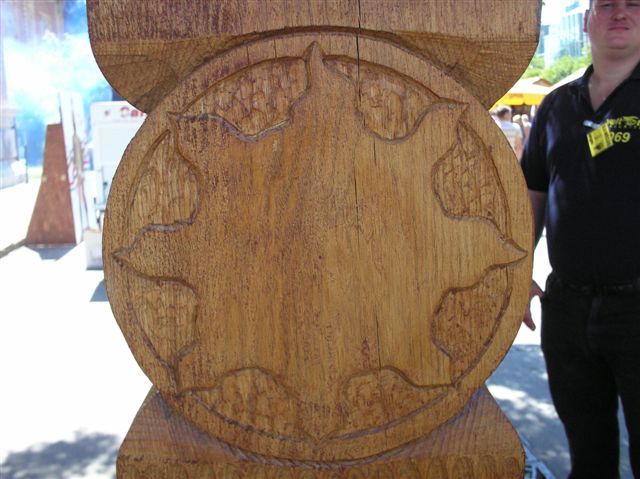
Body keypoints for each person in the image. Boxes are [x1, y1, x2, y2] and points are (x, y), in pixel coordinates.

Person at [521, 0, 640, 477]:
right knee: (589, 458)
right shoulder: (555, 105)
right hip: (567, 309)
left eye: (634, 4)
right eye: (606, 4)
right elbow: (532, 192)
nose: (620, 13)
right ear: (587, 21)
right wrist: (518, 273)